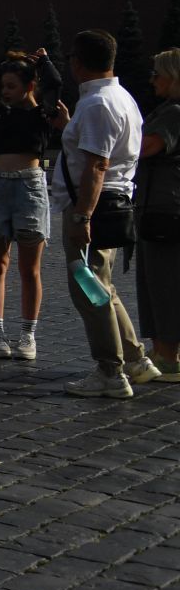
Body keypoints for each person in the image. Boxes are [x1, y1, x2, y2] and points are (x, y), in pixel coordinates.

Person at [53, 30, 160, 398]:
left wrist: (82, 217)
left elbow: (97, 166)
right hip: (110, 204)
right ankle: (135, 359)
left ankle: (110, 372)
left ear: (78, 62)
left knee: (88, 290)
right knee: (104, 286)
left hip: (93, 206)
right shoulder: (121, 97)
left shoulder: (97, 104)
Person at [0, 50, 60, 360]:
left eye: (11, 85)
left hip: (30, 187)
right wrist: (2, 66)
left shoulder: (44, 114)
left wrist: (42, 62)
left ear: (29, 86)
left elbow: (56, 81)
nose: (4, 91)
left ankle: (28, 335)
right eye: (3, 86)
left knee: (30, 269)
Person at [135, 49, 180, 380]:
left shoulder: (174, 112)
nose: (152, 80)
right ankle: (164, 350)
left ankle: (168, 355)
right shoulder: (169, 110)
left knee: (164, 281)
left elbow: (146, 146)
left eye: (157, 74)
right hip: (161, 205)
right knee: (157, 280)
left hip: (166, 208)